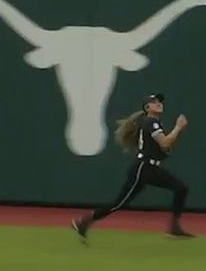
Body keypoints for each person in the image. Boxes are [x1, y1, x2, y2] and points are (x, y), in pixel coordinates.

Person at [72, 93, 193, 242]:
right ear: (147, 107)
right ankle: (83, 222)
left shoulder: (153, 122)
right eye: (154, 102)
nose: (159, 103)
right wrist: (178, 127)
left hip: (151, 169)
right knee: (119, 204)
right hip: (143, 169)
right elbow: (165, 143)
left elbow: (164, 147)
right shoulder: (151, 122)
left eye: (159, 101)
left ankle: (174, 228)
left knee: (181, 188)